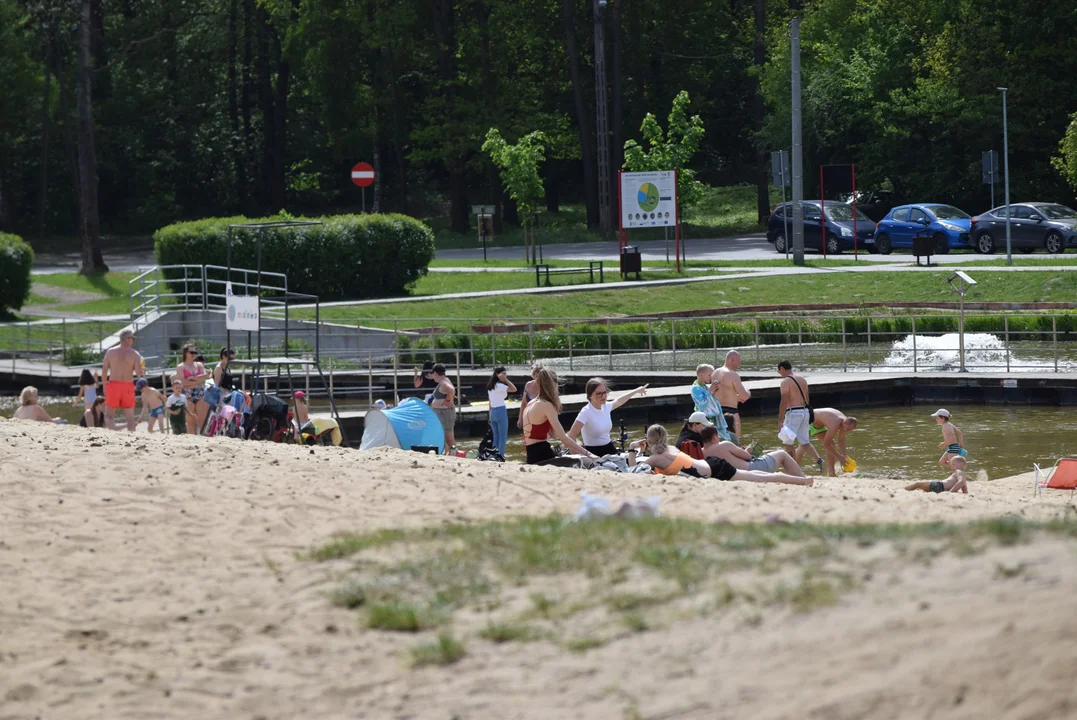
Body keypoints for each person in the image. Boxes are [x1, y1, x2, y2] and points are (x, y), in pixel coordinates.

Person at [627, 424, 811, 486]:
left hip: (714, 470)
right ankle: (801, 479)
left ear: (648, 442)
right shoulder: (671, 449)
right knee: (760, 476)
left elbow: (632, 470)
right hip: (711, 465)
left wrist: (632, 448)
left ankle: (803, 481)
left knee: (761, 479)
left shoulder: (655, 458)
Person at [521, 367, 596, 465]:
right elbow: (562, 438)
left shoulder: (530, 403)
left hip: (531, 456)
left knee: (573, 450)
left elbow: (553, 435)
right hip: (543, 456)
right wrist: (589, 453)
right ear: (554, 385)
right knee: (588, 461)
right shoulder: (547, 405)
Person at [567, 377, 648, 457]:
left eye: (605, 392)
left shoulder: (606, 406)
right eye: (599, 394)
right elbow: (572, 435)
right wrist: (576, 458)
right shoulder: (586, 412)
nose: (603, 396)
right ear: (590, 395)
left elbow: (619, 401)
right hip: (593, 452)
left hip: (609, 448)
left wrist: (637, 390)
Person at [700, 431, 806, 478]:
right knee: (782, 454)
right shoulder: (724, 444)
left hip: (733, 474)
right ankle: (801, 477)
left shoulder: (701, 452)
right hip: (751, 469)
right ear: (714, 437)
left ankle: (795, 476)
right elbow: (747, 456)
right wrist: (749, 449)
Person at [101, 328, 144, 432]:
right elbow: (139, 374)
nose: (133, 340)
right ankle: (132, 437)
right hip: (128, 385)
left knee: (109, 416)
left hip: (113, 384)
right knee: (129, 417)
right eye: (133, 338)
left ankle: (113, 433)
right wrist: (143, 370)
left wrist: (104, 387)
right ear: (127, 339)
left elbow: (104, 372)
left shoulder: (110, 352)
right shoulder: (135, 354)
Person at [797, 407, 857, 477]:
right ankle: (791, 468)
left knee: (805, 445)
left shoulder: (845, 424)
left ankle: (831, 473)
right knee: (805, 445)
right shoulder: (835, 422)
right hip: (808, 420)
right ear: (844, 422)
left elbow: (841, 440)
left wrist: (844, 455)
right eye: (846, 428)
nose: (845, 430)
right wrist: (839, 457)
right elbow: (826, 444)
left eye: (849, 430)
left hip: (819, 424)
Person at [776, 360, 813, 465]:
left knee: (787, 442)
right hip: (805, 412)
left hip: (793, 413)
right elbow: (807, 398)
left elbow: (784, 402)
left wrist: (780, 420)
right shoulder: (802, 379)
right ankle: (819, 460)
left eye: (779, 372)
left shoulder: (785, 381)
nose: (780, 374)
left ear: (782, 368)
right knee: (804, 442)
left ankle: (792, 469)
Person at [713, 350, 751, 438]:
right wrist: (748, 392)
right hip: (731, 413)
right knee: (735, 442)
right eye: (738, 362)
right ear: (732, 359)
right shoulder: (733, 375)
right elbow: (744, 396)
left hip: (718, 412)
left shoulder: (715, 373)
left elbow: (722, 393)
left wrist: (736, 398)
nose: (739, 365)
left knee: (720, 443)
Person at [175, 343, 210, 435]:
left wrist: (191, 379)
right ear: (185, 353)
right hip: (187, 395)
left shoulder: (199, 365)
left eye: (195, 352)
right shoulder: (181, 367)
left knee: (202, 421)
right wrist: (197, 380)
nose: (194, 354)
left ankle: (204, 441)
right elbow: (183, 383)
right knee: (190, 422)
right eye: (192, 352)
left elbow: (205, 377)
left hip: (200, 393)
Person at [691, 364, 730, 440]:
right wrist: (710, 391)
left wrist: (714, 392)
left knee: (719, 438)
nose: (711, 377)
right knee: (710, 439)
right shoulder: (695, 388)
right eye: (709, 375)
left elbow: (712, 401)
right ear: (701, 375)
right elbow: (702, 405)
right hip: (705, 419)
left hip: (713, 418)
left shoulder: (705, 386)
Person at [486, 366, 517, 457]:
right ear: (497, 374)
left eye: (505, 374)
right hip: (500, 410)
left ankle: (494, 455)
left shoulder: (490, 386)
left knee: (496, 436)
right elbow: (514, 389)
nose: (505, 375)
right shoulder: (499, 386)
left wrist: (489, 415)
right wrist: (506, 380)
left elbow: (490, 402)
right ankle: (500, 456)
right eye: (503, 374)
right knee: (502, 437)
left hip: (493, 412)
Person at [429, 363, 457, 454]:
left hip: (445, 413)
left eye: (432, 374)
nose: (432, 376)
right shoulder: (445, 380)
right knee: (443, 435)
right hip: (442, 413)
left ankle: (454, 454)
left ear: (435, 373)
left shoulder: (443, 382)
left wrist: (448, 400)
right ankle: (447, 453)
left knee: (449, 437)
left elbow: (451, 390)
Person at [517, 362, 544, 430]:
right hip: (528, 418)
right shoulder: (528, 385)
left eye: (540, 377)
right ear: (533, 375)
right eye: (536, 376)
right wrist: (520, 418)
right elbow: (523, 403)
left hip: (541, 418)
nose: (538, 379)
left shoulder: (546, 387)